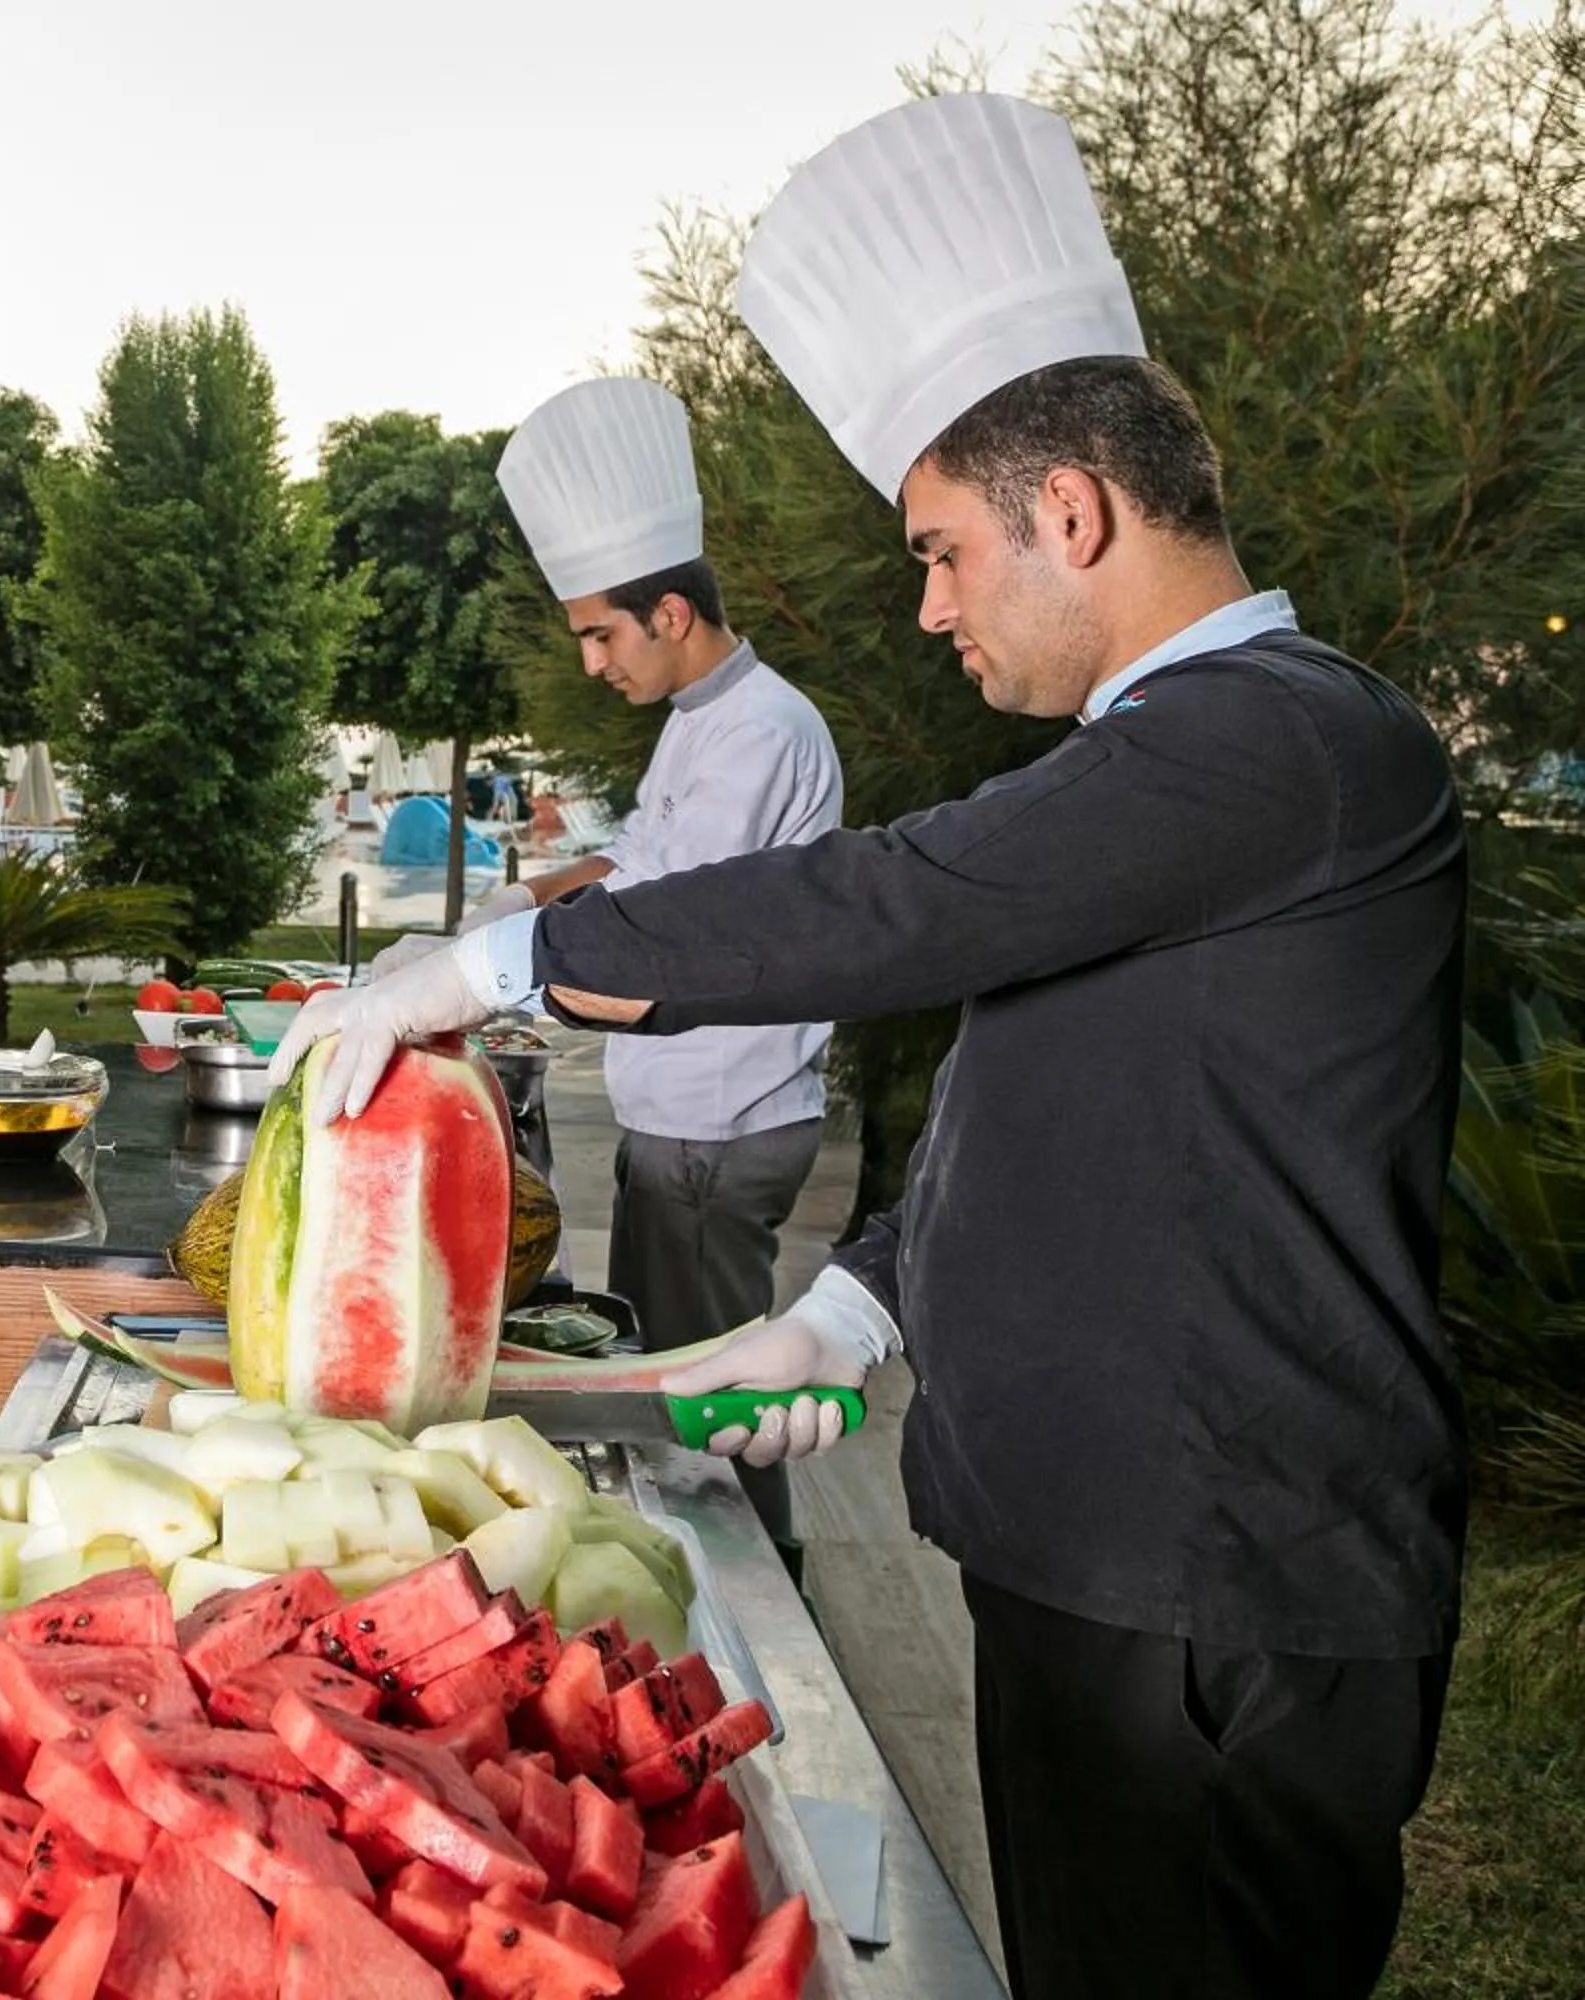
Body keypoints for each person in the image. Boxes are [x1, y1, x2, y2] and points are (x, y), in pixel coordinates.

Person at [273, 94, 1464, 2000]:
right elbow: (1042, 1103)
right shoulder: (1167, 777)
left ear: (1069, 511)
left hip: (1223, 1577)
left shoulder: (1288, 739)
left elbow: (882, 903)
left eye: (939, 553)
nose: (926, 612)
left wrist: (496, 961)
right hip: (1101, 1559)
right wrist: (848, 1313)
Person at [375, 380, 844, 1562]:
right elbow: (632, 853)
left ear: (671, 611)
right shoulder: (704, 715)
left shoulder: (764, 731)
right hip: (686, 1118)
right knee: (677, 1371)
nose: (592, 661)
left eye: (599, 632)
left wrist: (481, 970)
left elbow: (665, 913)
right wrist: (516, 897)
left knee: (708, 1400)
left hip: (720, 1125)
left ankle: (763, 1599)